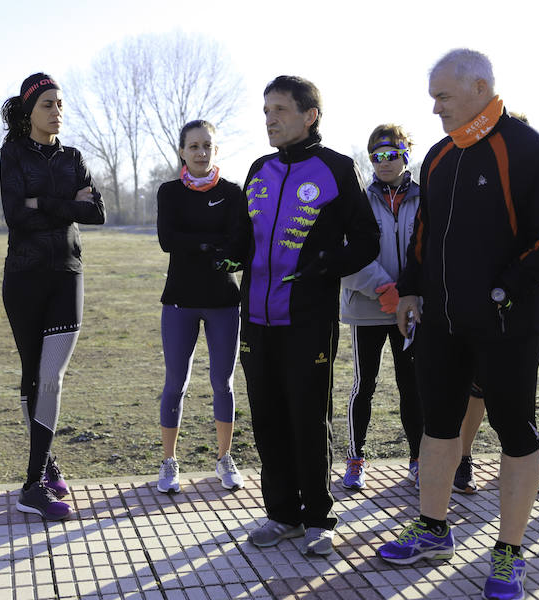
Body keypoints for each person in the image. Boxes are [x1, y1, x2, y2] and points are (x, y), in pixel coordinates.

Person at [376, 49, 539, 600]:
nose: (434, 106)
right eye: (433, 95)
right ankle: (434, 529)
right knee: (437, 425)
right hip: (442, 319)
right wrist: (413, 288)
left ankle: (510, 553)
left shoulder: (532, 151)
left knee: (514, 429)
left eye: (442, 95)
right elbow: (423, 233)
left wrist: (503, 290)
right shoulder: (440, 156)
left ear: (479, 86)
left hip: (509, 322)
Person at [240, 75, 379, 556]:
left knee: (306, 416)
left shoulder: (336, 168)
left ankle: (318, 517)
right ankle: (281, 514)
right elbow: (245, 239)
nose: (269, 119)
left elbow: (367, 241)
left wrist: (323, 269)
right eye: (265, 111)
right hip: (255, 320)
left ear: (309, 115)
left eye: (279, 109)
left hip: (307, 320)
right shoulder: (258, 168)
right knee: (266, 417)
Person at [0, 73, 105, 521]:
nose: (57, 110)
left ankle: (31, 485)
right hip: (23, 278)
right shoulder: (12, 153)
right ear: (28, 112)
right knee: (32, 376)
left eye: (60, 103)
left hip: (67, 275)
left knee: (51, 377)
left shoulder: (75, 156)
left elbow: (95, 212)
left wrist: (41, 203)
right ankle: (43, 468)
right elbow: (12, 215)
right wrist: (66, 203)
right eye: (47, 104)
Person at [450, 113, 539, 496]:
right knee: (477, 387)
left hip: (536, 300)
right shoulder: (478, 177)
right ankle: (463, 460)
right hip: (487, 301)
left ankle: (518, 460)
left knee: (521, 386)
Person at [155, 120, 248, 494]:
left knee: (222, 383)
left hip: (223, 302)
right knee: (175, 383)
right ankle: (168, 462)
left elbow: (239, 245)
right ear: (182, 151)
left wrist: (202, 245)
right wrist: (213, 244)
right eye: (193, 146)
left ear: (216, 149)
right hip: (179, 300)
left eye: (207, 145)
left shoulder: (233, 192)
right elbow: (167, 240)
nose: (201, 152)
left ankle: (225, 459)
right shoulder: (169, 192)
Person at [340, 124, 423, 490]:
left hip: (411, 311)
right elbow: (346, 254)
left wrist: (410, 294)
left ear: (405, 154)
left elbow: (431, 251)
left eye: (390, 154)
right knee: (364, 384)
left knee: (412, 386)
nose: (383, 162)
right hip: (368, 309)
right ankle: (356, 458)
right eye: (376, 155)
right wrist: (383, 289)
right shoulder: (358, 198)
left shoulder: (425, 197)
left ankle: (418, 459)